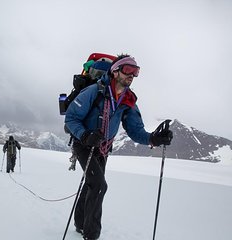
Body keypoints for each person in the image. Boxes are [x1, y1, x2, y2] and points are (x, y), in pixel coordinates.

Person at [64, 54, 173, 240]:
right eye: (128, 70)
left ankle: (80, 223)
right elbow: (71, 118)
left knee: (92, 184)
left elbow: (135, 130)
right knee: (98, 185)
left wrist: (154, 139)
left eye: (136, 71)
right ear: (115, 71)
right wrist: (85, 135)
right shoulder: (94, 91)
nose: (132, 75)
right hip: (84, 143)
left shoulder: (128, 100)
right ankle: (91, 235)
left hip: (103, 147)